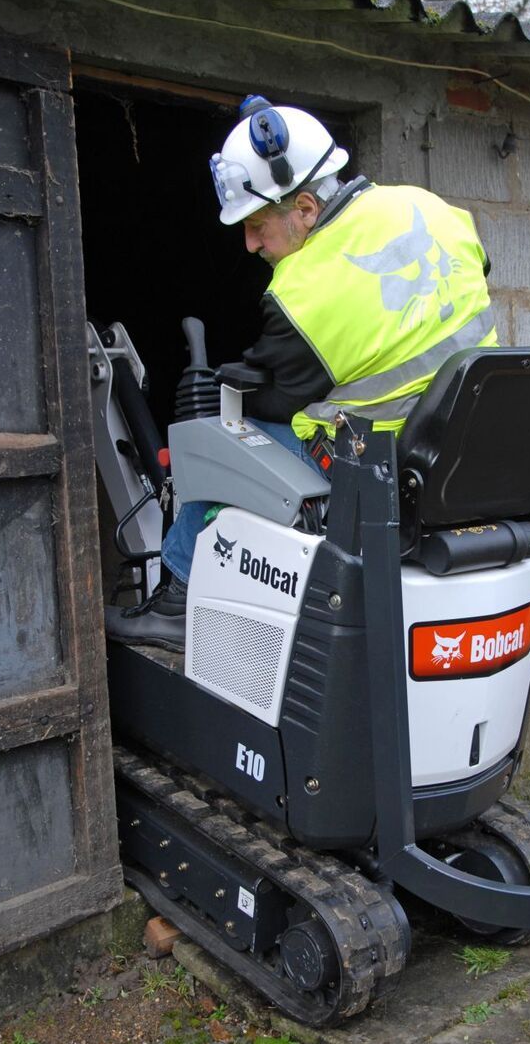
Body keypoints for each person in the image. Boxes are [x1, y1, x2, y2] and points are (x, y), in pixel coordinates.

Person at [105, 94, 498, 651]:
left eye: (259, 225)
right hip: (464, 456)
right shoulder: (430, 208)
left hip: (379, 472)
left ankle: (179, 598)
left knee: (220, 437)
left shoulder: (304, 291)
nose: (250, 243)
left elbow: (273, 401)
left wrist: (219, 385)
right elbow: (471, 274)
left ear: (307, 208)